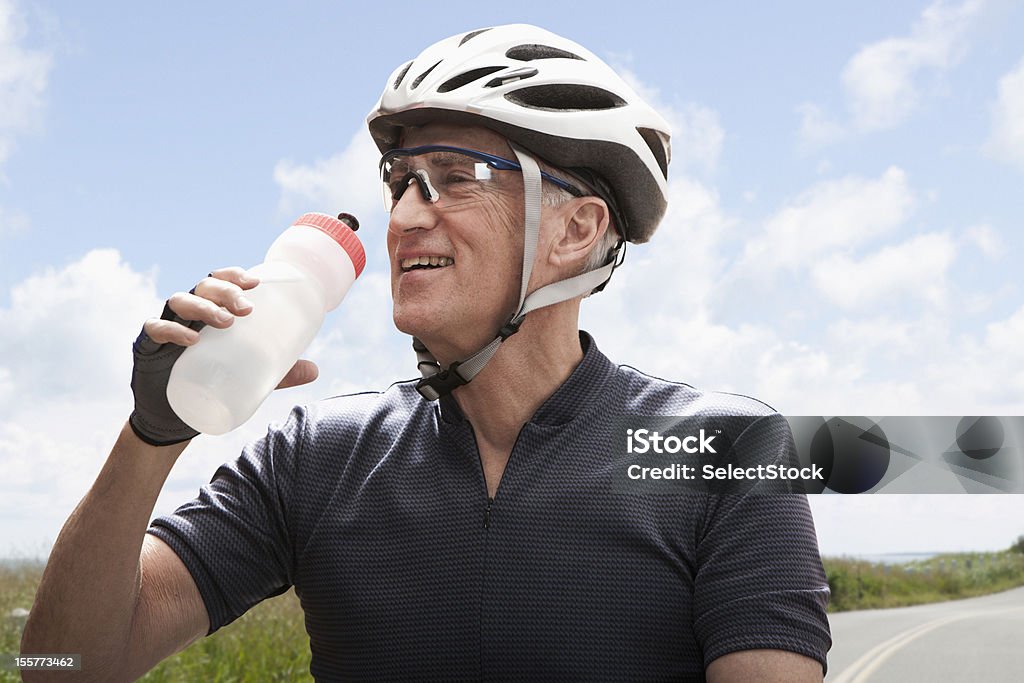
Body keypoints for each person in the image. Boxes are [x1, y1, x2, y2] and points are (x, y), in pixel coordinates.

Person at [23, 24, 831, 681]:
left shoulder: (726, 449)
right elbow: (61, 667)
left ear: (575, 229)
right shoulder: (316, 456)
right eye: (399, 181)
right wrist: (152, 435)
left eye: (454, 176)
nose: (407, 216)